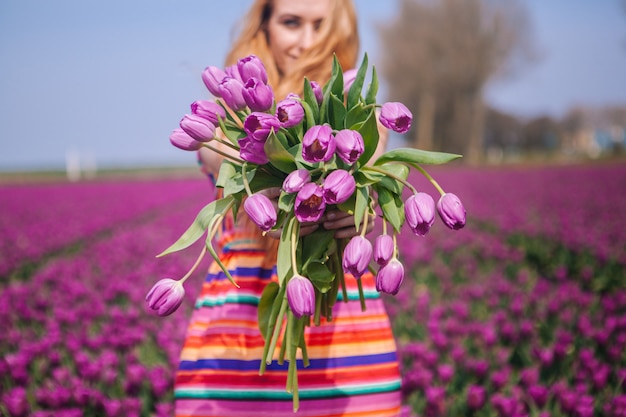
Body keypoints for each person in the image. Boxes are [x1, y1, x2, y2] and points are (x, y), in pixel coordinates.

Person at [174, 0, 402, 416]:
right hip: (237, 342)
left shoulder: (357, 107)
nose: (307, 41)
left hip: (346, 348)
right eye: (292, 23)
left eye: (320, 24)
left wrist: (361, 210)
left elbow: (370, 157)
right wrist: (277, 197)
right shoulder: (228, 113)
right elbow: (224, 154)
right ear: (265, 25)